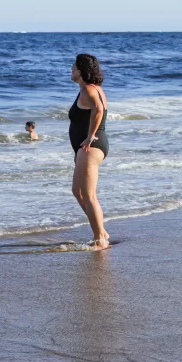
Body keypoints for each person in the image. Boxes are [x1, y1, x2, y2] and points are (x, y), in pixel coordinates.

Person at [69, 53, 110, 249]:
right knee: (78, 191)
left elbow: (99, 110)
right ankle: (100, 230)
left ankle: (99, 239)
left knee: (89, 194)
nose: (71, 70)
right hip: (90, 148)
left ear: (81, 70)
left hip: (90, 148)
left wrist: (89, 136)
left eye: (73, 67)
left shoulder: (88, 90)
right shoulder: (93, 89)